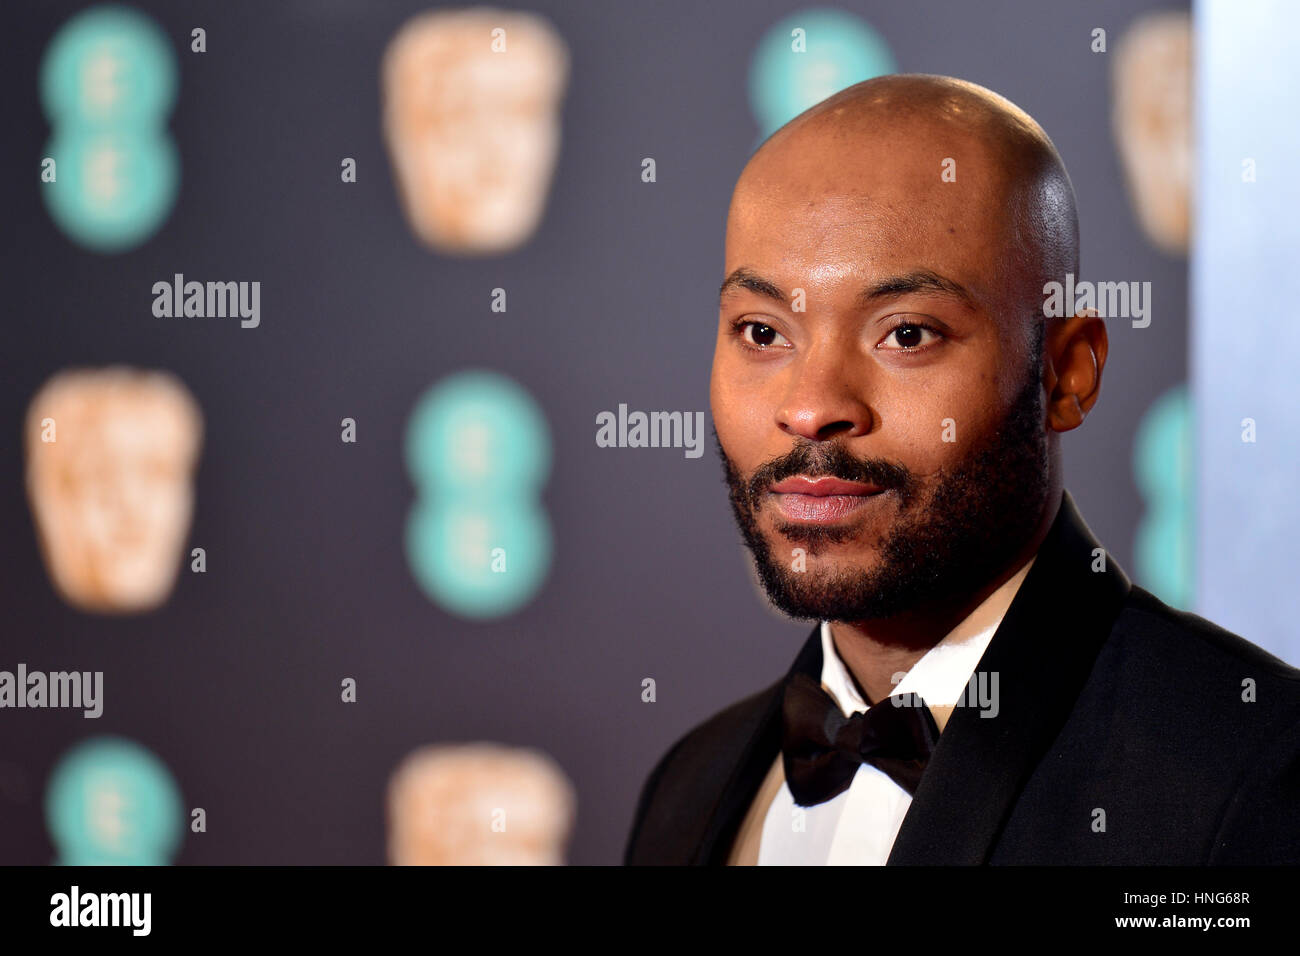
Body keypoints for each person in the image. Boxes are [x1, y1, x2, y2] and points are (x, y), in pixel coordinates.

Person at [624, 74, 1300, 865]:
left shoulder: (1253, 775)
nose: (810, 409)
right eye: (763, 332)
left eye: (906, 334)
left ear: (1066, 373)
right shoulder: (688, 789)